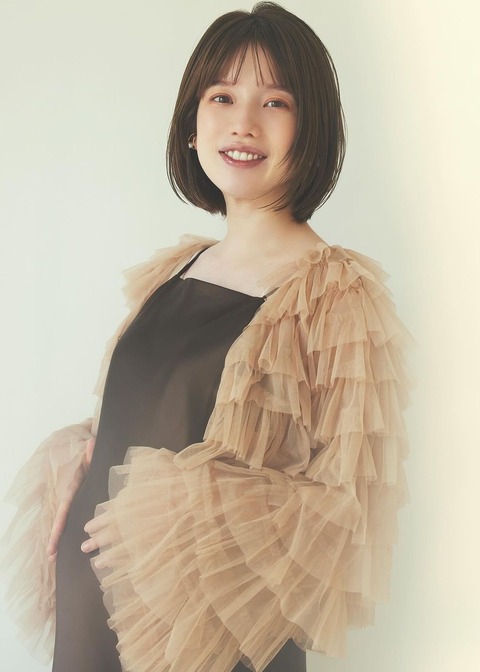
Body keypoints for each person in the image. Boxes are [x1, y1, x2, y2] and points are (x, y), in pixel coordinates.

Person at [1, 3, 410, 672]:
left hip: (211, 643)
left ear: (311, 129)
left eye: (275, 102)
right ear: (191, 126)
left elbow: (346, 516)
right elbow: (146, 417)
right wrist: (85, 452)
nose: (243, 122)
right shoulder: (173, 271)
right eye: (222, 96)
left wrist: (185, 505)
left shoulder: (334, 296)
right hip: (94, 624)